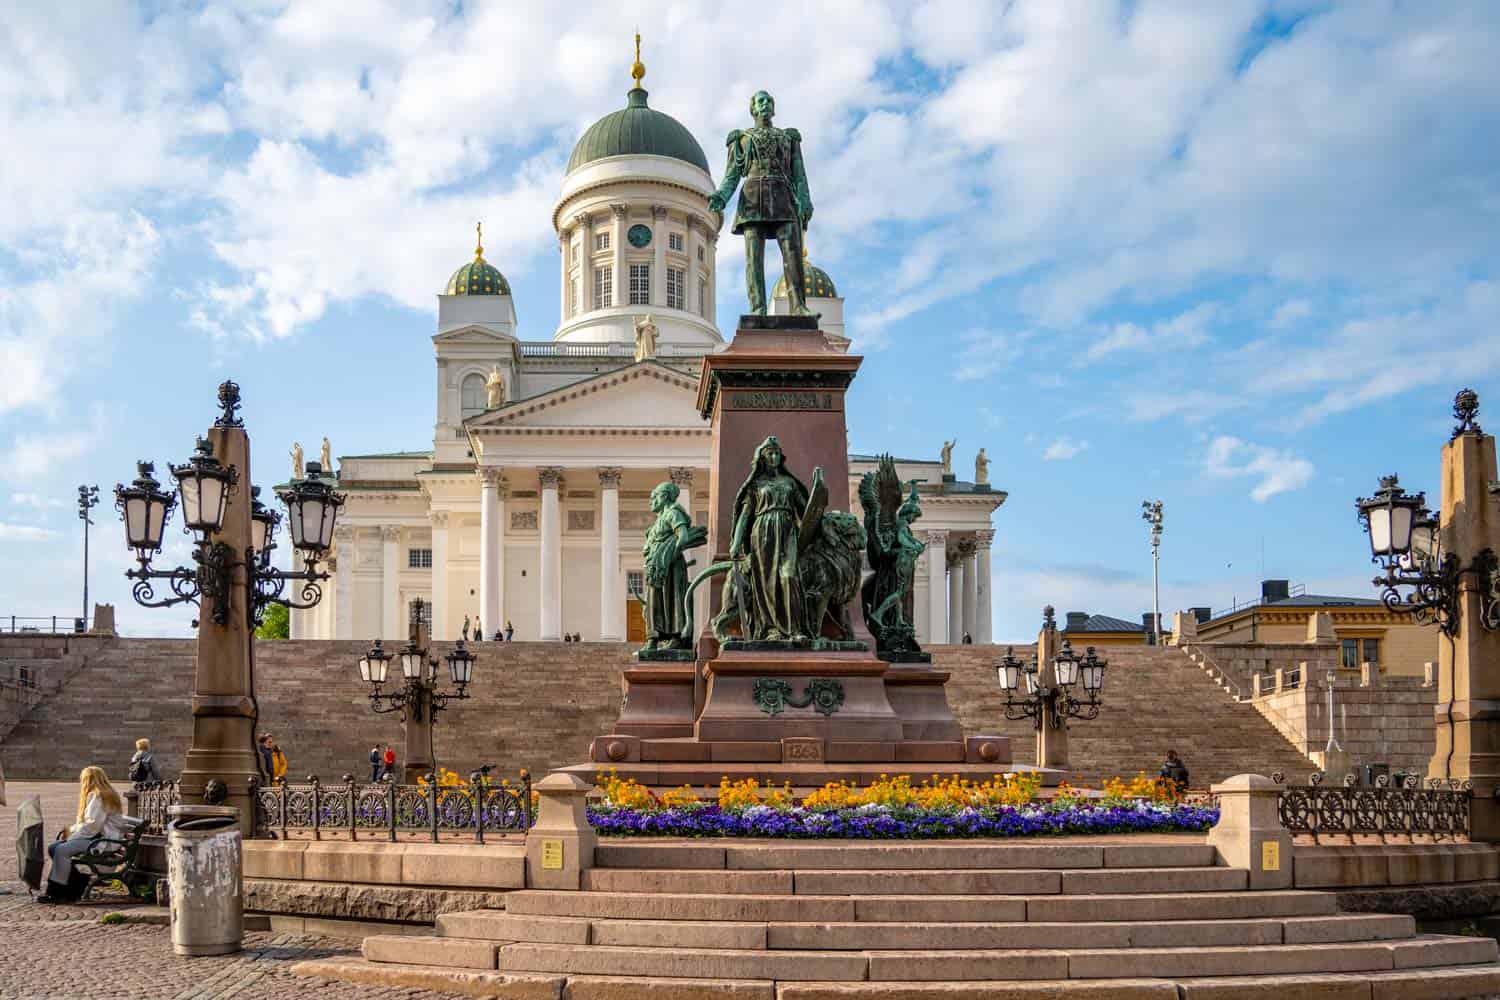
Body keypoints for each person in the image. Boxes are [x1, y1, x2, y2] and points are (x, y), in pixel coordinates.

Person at [39, 766, 129, 903]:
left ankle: (57, 892)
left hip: (102, 841)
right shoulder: (102, 794)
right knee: (53, 847)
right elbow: (89, 825)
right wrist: (71, 831)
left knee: (61, 850)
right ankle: (77, 883)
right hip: (98, 837)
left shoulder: (100, 796)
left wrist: (71, 837)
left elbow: (92, 826)